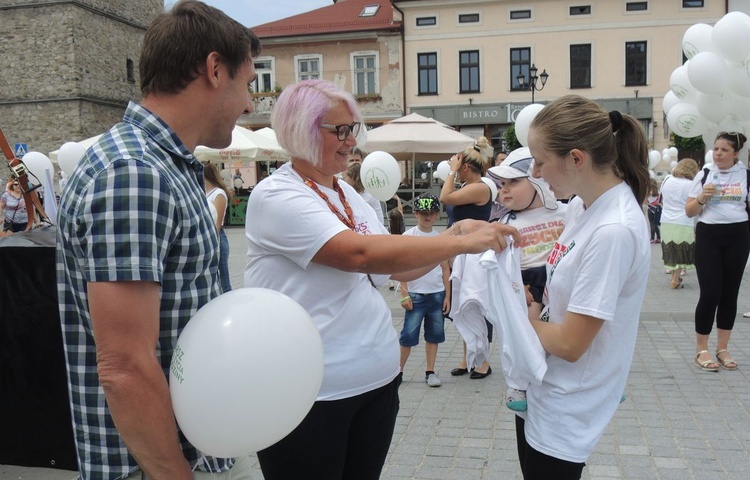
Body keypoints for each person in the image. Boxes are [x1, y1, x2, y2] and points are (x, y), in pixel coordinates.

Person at [243, 79, 517, 479]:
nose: (350, 139)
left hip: (374, 381)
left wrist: (453, 235)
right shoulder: (276, 196)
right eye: (339, 130)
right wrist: (455, 243)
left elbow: (395, 268)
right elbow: (359, 254)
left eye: (353, 128)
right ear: (300, 130)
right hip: (308, 393)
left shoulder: (348, 195)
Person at [56, 2, 261, 479]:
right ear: (214, 69)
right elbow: (125, 365)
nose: (251, 103)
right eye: (248, 83)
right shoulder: (135, 173)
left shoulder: (161, 164)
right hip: (157, 467)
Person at [520, 94, 651, 479]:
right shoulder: (583, 205)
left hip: (570, 404)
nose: (536, 172)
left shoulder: (613, 229)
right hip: (547, 388)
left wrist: (523, 319)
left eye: (541, 161)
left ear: (577, 158)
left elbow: (571, 345)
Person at [485, 146, 566, 411]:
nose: (504, 189)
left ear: (538, 180)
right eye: (502, 184)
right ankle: (518, 383)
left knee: (579, 326)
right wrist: (515, 286)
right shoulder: (505, 221)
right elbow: (497, 262)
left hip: (563, 278)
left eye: (513, 182)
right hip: (528, 284)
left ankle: (599, 377)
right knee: (524, 332)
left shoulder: (566, 212)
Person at [685, 132, 749, 372]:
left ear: (735, 154)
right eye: (716, 149)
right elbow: (689, 211)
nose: (718, 153)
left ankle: (723, 348)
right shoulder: (704, 174)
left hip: (738, 236)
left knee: (729, 294)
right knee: (710, 293)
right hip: (708, 236)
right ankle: (702, 349)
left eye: (724, 150)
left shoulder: (746, 175)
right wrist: (702, 197)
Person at [440, 136, 494, 379]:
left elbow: (445, 198)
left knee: (478, 303)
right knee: (462, 304)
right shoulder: (466, 187)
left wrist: (450, 172)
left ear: (465, 167)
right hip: (459, 250)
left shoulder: (481, 187)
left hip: (475, 252)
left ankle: (484, 360)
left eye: (457, 166)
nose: (455, 171)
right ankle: (468, 356)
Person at [397, 193, 451, 387]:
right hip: (415, 294)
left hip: (436, 294)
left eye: (431, 213)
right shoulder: (408, 237)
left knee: (434, 335)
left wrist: (447, 295)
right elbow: (400, 268)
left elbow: (445, 269)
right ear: (416, 213)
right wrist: (404, 294)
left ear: (437, 215)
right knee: (408, 337)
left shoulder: (440, 238)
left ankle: (430, 371)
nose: (427, 217)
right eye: (423, 213)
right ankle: (398, 371)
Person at [660, 158, 700, 289]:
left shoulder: (667, 179)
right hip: (684, 220)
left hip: (666, 219)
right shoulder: (691, 185)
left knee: (670, 249)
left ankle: (673, 277)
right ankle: (675, 279)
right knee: (682, 251)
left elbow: (661, 197)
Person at [204, 162, 234, 292]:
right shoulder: (206, 193)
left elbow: (217, 222)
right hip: (210, 236)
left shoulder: (218, 194)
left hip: (217, 238)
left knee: (223, 277)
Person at [647, 178, 662, 243]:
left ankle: (652, 238)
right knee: (655, 224)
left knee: (651, 224)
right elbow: (659, 201)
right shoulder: (657, 192)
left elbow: (646, 201)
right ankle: (658, 237)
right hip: (656, 209)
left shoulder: (648, 192)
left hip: (650, 208)